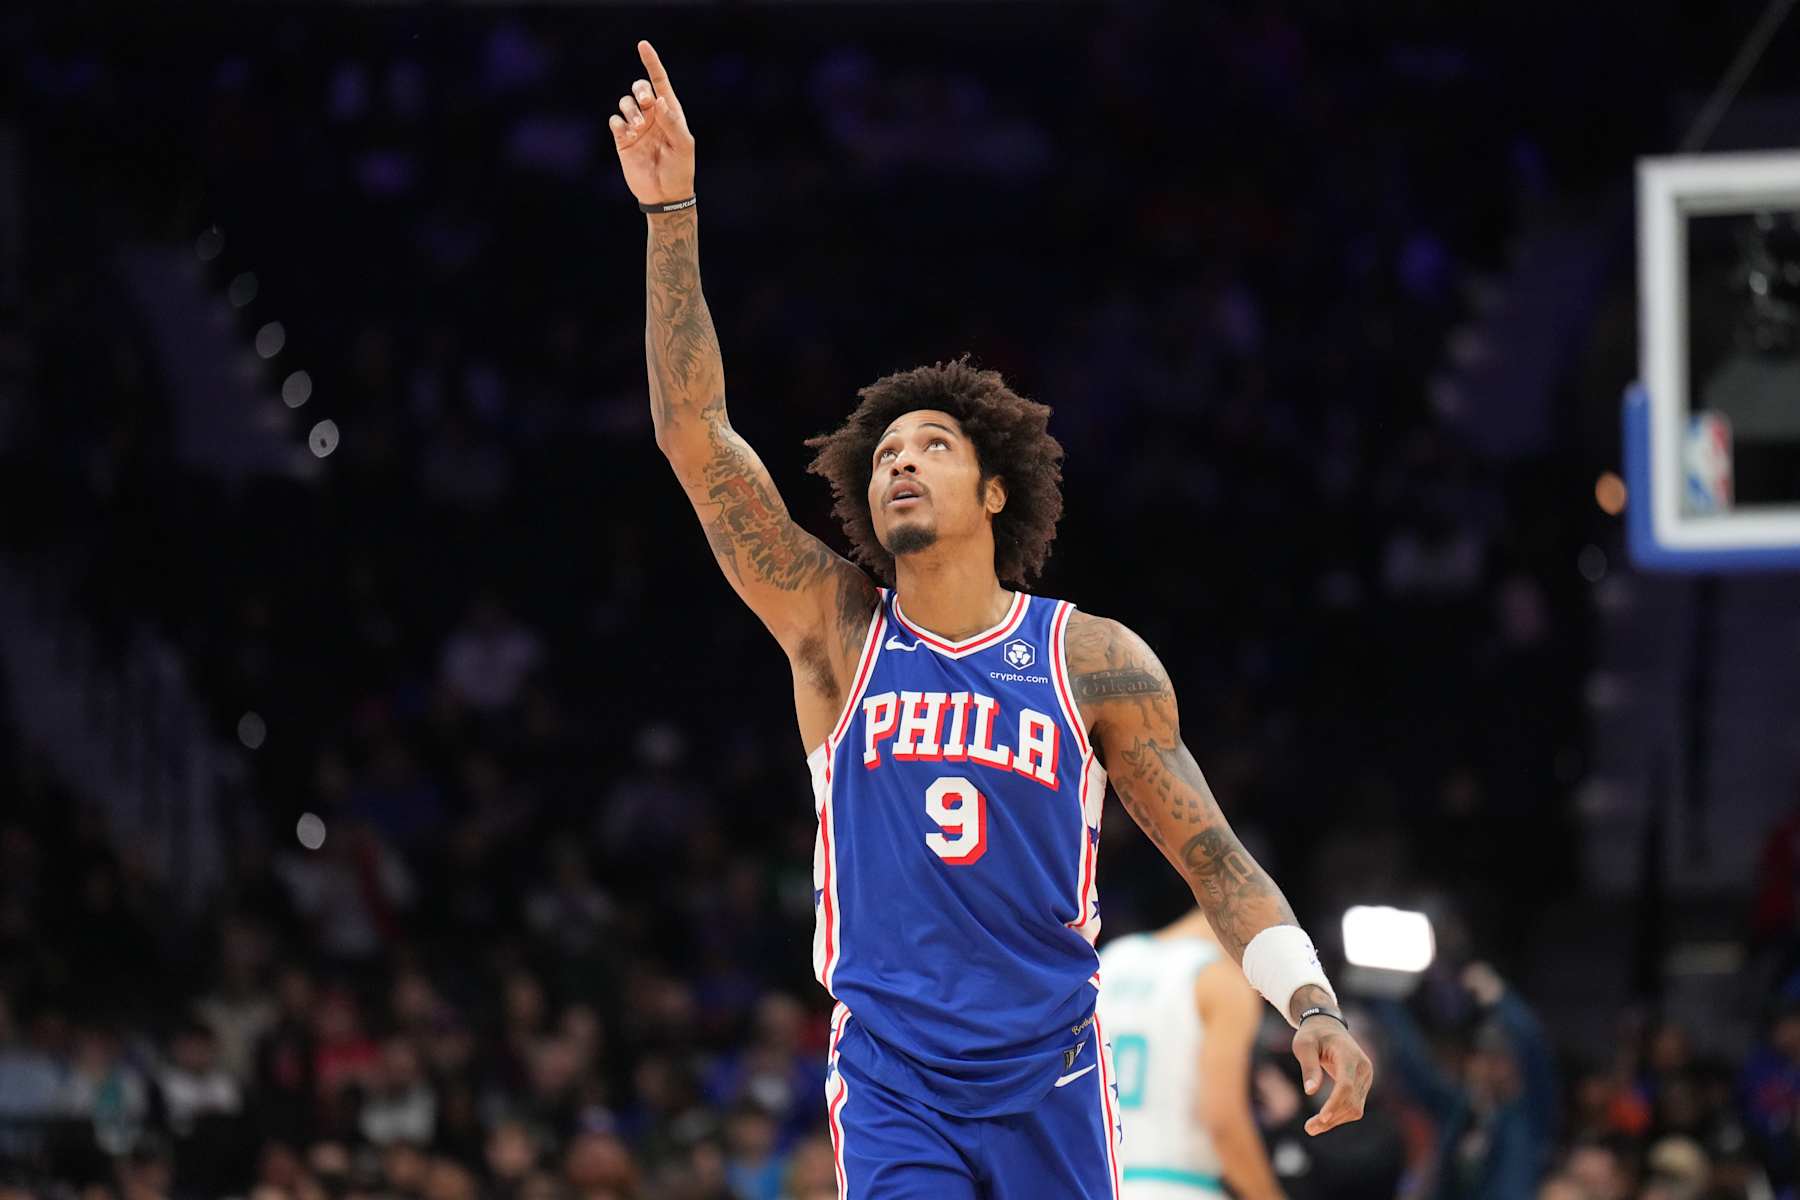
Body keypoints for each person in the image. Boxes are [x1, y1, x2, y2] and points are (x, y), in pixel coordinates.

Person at [608, 41, 1373, 1199]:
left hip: (1053, 1077)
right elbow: (696, 440)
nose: (902, 464)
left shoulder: (1094, 661)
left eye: (935, 447)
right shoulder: (836, 627)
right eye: (886, 455)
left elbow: (1213, 857)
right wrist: (672, 210)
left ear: (996, 486)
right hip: (896, 1071)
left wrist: (1311, 1003)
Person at [1097, 910, 1285, 1199]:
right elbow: (1223, 1122)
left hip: (1096, 1183)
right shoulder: (1220, 980)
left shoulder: (1110, 958)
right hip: (1181, 1184)